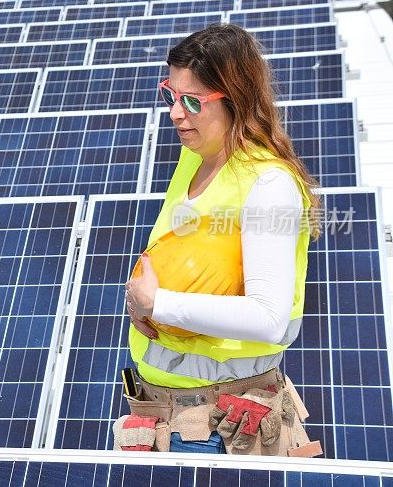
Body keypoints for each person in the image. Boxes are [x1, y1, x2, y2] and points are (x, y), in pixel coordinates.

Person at [112, 23, 323, 457]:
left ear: (235, 101)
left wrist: (159, 305)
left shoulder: (268, 185)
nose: (175, 113)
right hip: (161, 415)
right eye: (170, 94)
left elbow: (269, 317)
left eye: (193, 101)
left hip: (222, 428)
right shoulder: (195, 159)